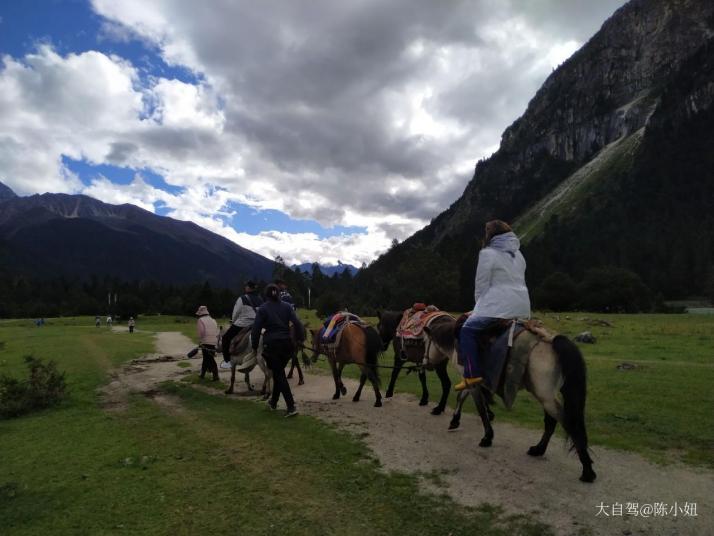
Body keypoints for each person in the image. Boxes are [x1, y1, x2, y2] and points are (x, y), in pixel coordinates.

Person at [455, 220, 531, 391]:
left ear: (490, 234)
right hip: (522, 307)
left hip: (497, 306)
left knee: (467, 330)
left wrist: (478, 308)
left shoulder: (487, 253)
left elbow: (481, 285)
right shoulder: (519, 254)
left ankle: (472, 374)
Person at [246, 283, 304, 417]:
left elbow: (256, 330)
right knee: (279, 373)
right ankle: (273, 402)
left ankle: (291, 407)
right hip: (287, 345)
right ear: (279, 294)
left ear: (266, 296)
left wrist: (254, 346)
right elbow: (298, 324)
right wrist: (300, 340)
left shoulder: (263, 309)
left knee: (279, 375)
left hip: (271, 346)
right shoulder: (288, 307)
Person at [220, 281, 264, 369]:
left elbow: (236, 312)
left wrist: (233, 321)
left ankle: (227, 361)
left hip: (243, 323)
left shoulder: (242, 298)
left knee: (225, 338)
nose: (245, 288)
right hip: (256, 324)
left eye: (246, 286)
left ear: (248, 288)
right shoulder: (260, 299)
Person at [195, 305, 220, 381]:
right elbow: (217, 331)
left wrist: (200, 341)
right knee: (206, 358)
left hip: (205, 342)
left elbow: (201, 333)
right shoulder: (213, 320)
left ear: (200, 313)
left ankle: (216, 376)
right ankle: (202, 374)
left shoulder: (200, 320)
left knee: (209, 359)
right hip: (214, 341)